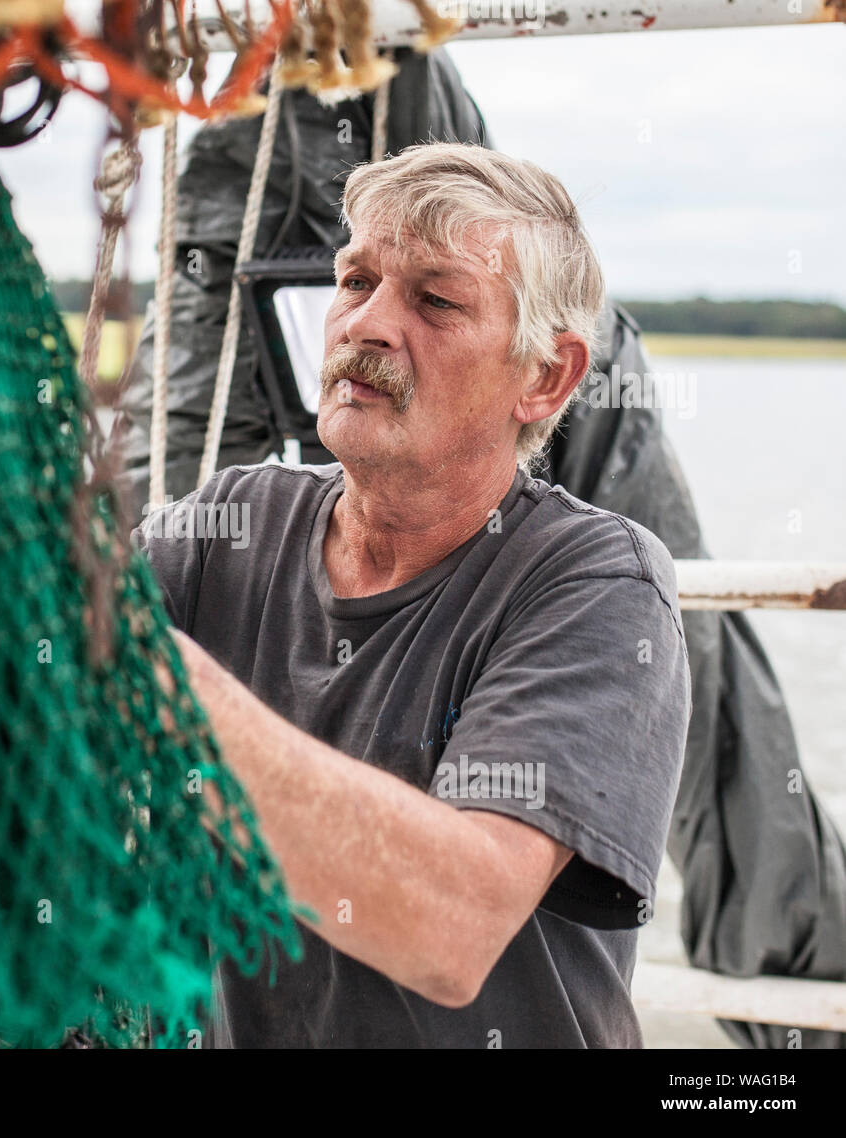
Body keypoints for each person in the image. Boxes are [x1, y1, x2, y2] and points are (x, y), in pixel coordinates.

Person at [133, 142, 692, 1047]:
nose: (368, 324)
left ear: (546, 375)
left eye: (434, 300)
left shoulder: (596, 584)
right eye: (356, 282)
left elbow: (452, 927)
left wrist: (143, 677)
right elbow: (12, 664)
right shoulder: (229, 524)